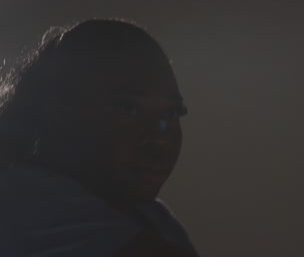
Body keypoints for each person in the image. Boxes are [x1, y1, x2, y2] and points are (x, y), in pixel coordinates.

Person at [0, 18, 198, 256]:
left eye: (172, 113)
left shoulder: (153, 215)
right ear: (59, 112)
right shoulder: (23, 201)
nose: (160, 139)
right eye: (127, 109)